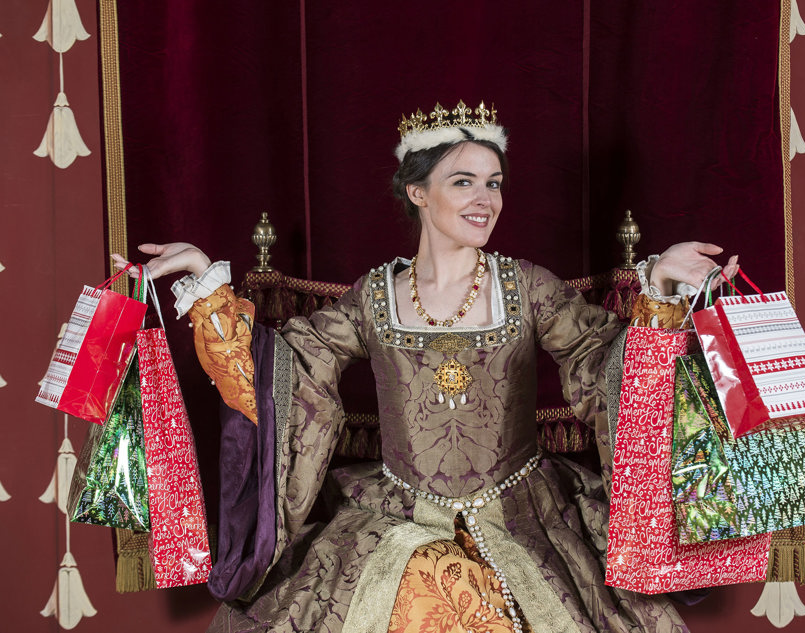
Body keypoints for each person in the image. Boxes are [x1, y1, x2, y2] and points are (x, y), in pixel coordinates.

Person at [114, 100, 738, 633]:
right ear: (418, 192)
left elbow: (613, 371)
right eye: (463, 181)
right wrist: (208, 292)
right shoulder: (374, 297)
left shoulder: (529, 289)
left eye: (494, 182)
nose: (485, 199)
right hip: (394, 518)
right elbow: (280, 374)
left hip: (525, 516)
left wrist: (657, 291)